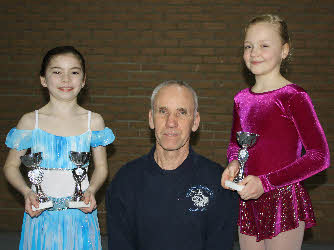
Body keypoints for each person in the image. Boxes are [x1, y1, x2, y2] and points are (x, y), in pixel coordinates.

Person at [221, 14, 330, 250]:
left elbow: (319, 156)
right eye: (248, 46)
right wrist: (233, 165)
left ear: (284, 50)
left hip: (283, 199)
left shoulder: (294, 97)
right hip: (249, 198)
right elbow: (235, 146)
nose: (254, 52)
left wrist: (267, 183)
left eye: (264, 45)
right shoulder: (241, 99)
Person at [3, 46, 115, 250]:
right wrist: (26, 192)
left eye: (74, 72)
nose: (65, 79)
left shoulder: (94, 122)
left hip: (79, 216)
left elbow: (101, 168)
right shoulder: (30, 122)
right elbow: (10, 166)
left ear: (83, 80)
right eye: (57, 72)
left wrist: (91, 189)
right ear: (43, 80)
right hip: (41, 215)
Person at [106, 80, 238, 250]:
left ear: (195, 121)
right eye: (163, 111)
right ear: (151, 119)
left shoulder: (218, 182)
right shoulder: (125, 181)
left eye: (181, 112)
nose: (171, 122)